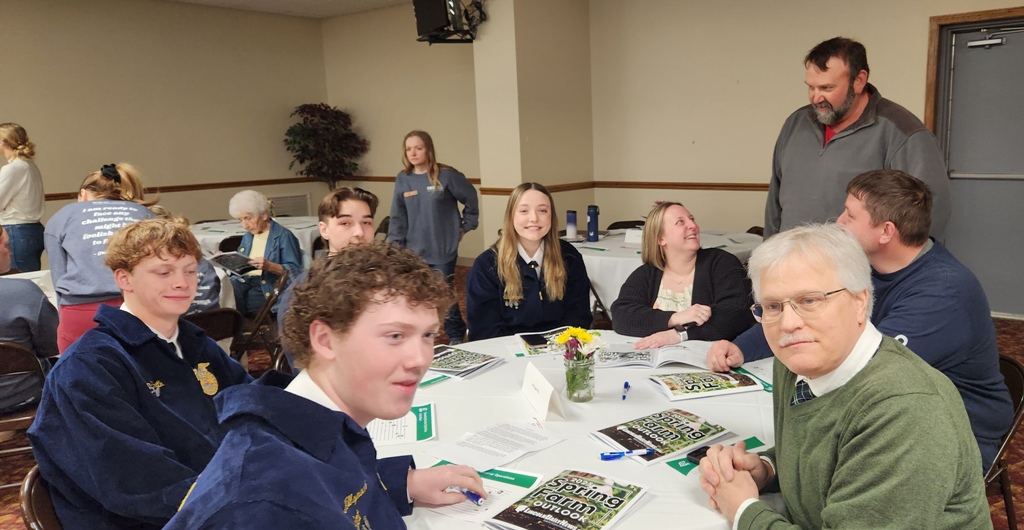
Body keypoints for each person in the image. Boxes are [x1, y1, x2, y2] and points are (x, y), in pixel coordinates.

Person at [166, 241, 486, 528]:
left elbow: (329, 483)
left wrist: (398, 483)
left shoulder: (317, 426)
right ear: (325, 340)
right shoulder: (263, 503)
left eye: (428, 335)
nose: (420, 358)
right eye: (395, 336)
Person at [711, 170, 1011, 471]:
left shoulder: (944, 290)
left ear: (886, 231)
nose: (838, 222)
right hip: (885, 413)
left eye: (850, 215)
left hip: (954, 434)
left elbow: (867, 367)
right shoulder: (873, 266)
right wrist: (742, 348)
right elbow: (803, 315)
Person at [698, 223, 990, 529]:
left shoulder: (905, 410)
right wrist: (768, 468)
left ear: (859, 302)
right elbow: (825, 454)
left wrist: (743, 510)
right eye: (772, 306)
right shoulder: (796, 361)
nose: (788, 323)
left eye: (809, 300)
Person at [28, 218, 252, 529]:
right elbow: (136, 482)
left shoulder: (196, 344)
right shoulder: (90, 367)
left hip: (219, 496)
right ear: (124, 278)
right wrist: (243, 499)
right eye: (164, 272)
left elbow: (252, 407)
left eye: (189, 270)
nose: (182, 283)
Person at [764, 37, 950, 241]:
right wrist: (768, 252)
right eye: (811, 87)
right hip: (790, 257)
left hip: (859, 261)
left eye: (827, 88)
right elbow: (775, 201)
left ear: (859, 81)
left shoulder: (904, 132)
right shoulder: (795, 123)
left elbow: (927, 217)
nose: (816, 98)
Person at [44, 162, 157, 352]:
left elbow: (59, 276)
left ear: (83, 194)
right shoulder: (145, 214)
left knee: (78, 368)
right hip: (138, 307)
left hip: (81, 312)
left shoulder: (63, 216)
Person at [610, 202, 754, 347]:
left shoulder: (722, 263)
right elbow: (621, 315)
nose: (693, 226)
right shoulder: (647, 274)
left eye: (692, 219)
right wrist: (674, 318)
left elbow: (736, 313)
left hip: (711, 356)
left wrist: (680, 334)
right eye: (680, 222)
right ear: (660, 239)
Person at [465, 182, 591, 340]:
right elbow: (484, 330)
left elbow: (579, 317)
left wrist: (559, 346)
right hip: (507, 349)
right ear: (511, 216)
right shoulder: (487, 265)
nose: (534, 218)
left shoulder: (569, 257)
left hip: (559, 347)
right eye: (524, 211)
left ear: (551, 216)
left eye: (542, 211)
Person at [388, 130, 479, 344]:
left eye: (418, 148)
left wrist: (466, 225)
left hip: (442, 249)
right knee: (416, 295)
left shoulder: (446, 176)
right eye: (408, 149)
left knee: (443, 294)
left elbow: (471, 197)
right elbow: (398, 215)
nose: (413, 153)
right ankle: (421, 333)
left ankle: (455, 333)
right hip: (412, 251)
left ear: (428, 149)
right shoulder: (403, 179)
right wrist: (393, 248)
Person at [276, 187, 379, 369]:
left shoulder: (385, 277)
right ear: (324, 230)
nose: (359, 232)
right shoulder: (305, 290)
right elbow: (303, 361)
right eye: (345, 223)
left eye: (366, 222)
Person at [0, 225, 58, 415]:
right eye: (7, 245)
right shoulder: (24, 291)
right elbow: (52, 346)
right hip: (23, 394)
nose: (10, 252)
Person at [226, 189, 302, 318]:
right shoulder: (248, 237)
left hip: (267, 286)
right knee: (224, 291)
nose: (245, 225)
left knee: (232, 302)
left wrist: (269, 266)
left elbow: (296, 272)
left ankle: (238, 327)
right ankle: (237, 327)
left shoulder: (284, 236)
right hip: (244, 282)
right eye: (240, 220)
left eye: (248, 218)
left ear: (264, 215)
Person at [0, 123, 45, 272]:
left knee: (17, 278)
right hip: (32, 230)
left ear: (3, 142)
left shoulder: (12, 168)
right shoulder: (29, 165)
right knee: (29, 277)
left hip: (16, 230)